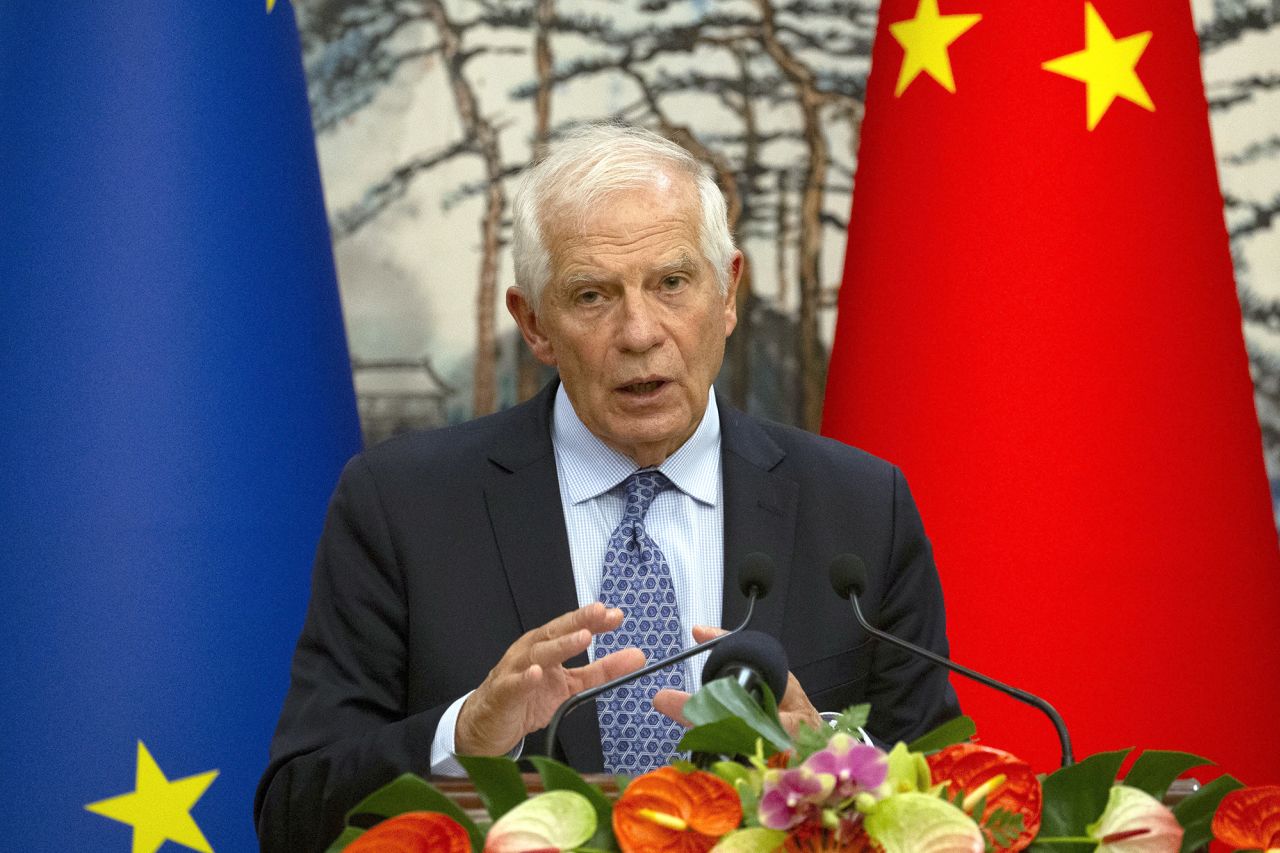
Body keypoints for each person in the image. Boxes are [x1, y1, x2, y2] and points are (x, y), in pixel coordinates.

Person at [255, 123, 959, 852]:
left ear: (728, 293)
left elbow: (951, 811)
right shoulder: (402, 507)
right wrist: (464, 735)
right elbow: (293, 817)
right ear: (534, 323)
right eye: (592, 295)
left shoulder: (861, 510)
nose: (639, 331)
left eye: (672, 283)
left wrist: (837, 766)